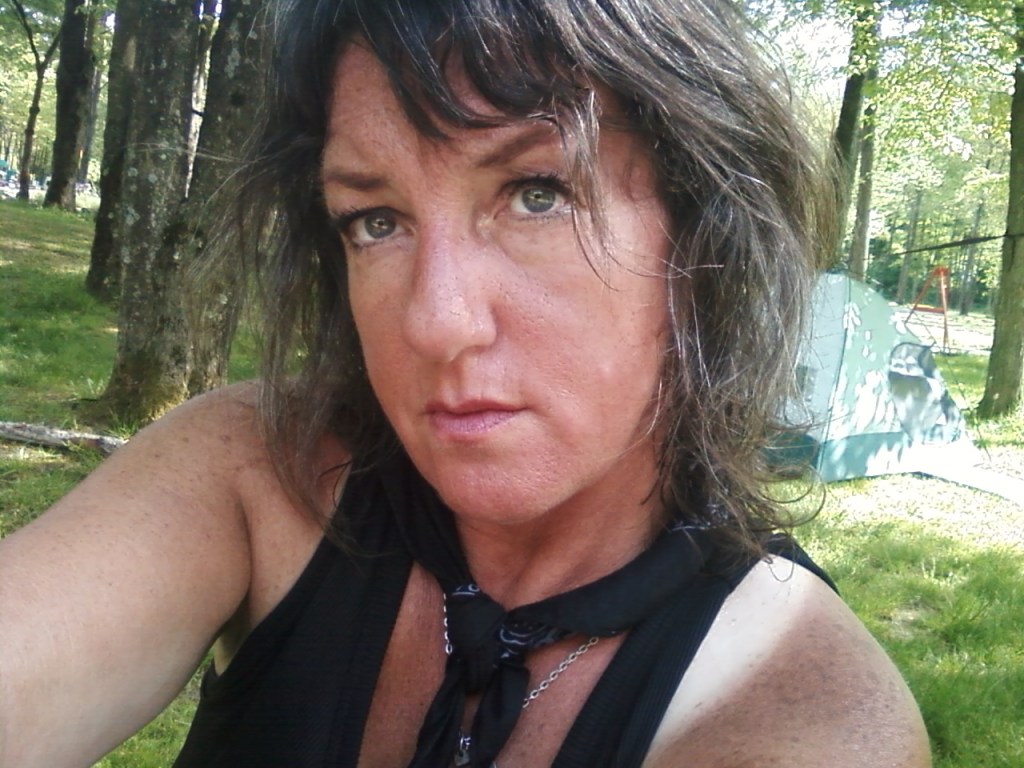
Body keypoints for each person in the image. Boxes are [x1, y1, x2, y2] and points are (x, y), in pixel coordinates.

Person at [0, 1, 932, 766]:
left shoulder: (808, 717)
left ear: (705, 241)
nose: (435, 322)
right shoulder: (256, 471)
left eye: (537, 194)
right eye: (375, 220)